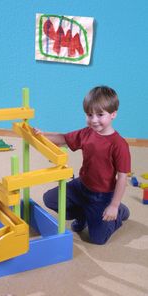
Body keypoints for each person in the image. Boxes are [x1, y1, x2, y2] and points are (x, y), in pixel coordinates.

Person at [34, 86, 131, 245]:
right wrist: (41, 135)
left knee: (98, 239)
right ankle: (83, 215)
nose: (94, 120)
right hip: (81, 186)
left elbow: (122, 177)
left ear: (113, 114)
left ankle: (120, 211)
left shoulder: (119, 144)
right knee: (50, 199)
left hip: (102, 195)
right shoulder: (87, 133)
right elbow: (63, 138)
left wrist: (113, 205)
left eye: (100, 114)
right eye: (89, 114)